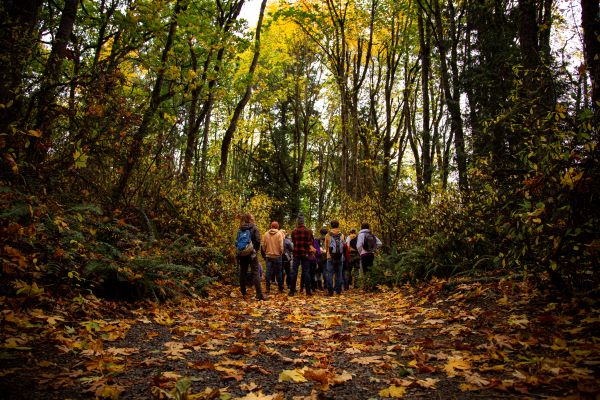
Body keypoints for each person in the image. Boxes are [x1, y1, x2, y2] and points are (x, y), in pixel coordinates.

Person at [236, 213, 265, 300]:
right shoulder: (254, 228)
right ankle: (259, 294)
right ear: (250, 219)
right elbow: (258, 240)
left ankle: (243, 292)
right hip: (252, 253)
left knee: (242, 272)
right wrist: (254, 250)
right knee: (255, 272)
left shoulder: (240, 229)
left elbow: (237, 241)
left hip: (242, 254)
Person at [290, 215, 314, 296]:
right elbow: (311, 242)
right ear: (303, 222)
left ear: (298, 222)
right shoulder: (309, 231)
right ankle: (308, 291)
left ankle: (292, 291)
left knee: (294, 272)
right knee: (306, 272)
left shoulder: (294, 231)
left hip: (296, 253)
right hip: (306, 254)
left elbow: (293, 242)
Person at [261, 221, 285, 293]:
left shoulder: (266, 234)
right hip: (277, 256)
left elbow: (263, 245)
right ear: (277, 227)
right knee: (278, 273)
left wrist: (266, 252)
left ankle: (267, 288)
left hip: (268, 256)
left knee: (268, 272)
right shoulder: (279, 234)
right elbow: (281, 246)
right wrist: (281, 253)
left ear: (271, 226)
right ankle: (280, 288)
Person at [324, 220, 345, 296]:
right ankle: (338, 291)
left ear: (331, 226)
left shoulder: (327, 235)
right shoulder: (342, 235)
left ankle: (330, 292)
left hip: (330, 257)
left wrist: (328, 254)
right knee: (339, 274)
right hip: (340, 257)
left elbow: (326, 247)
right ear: (338, 225)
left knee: (329, 274)